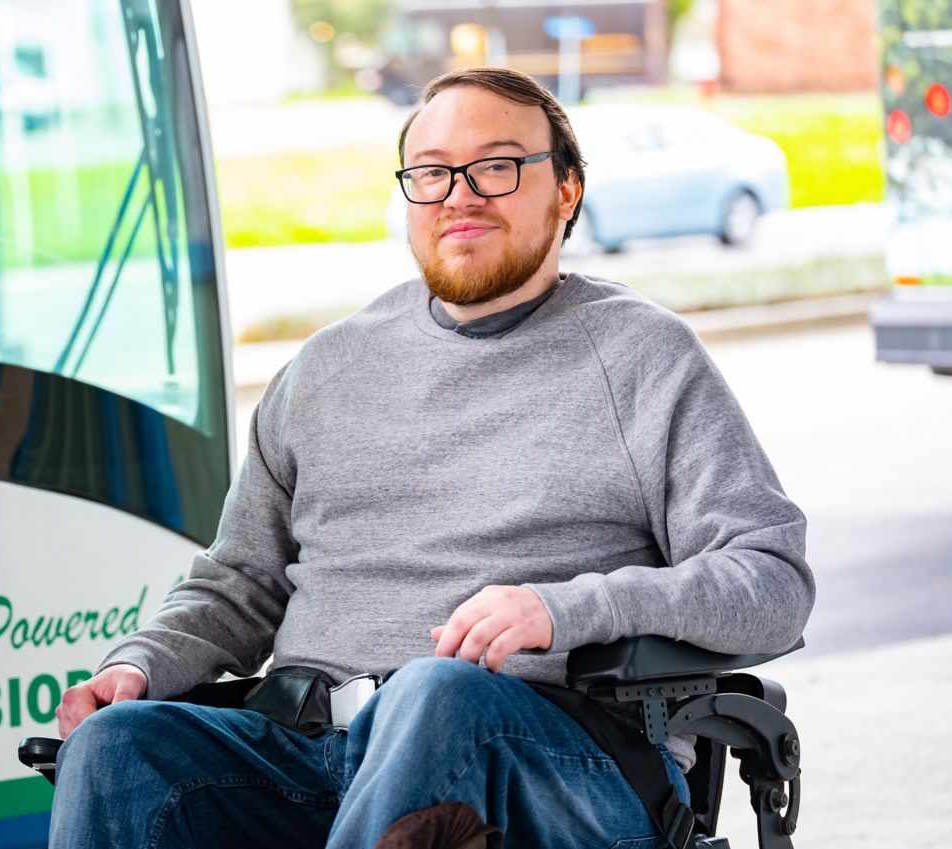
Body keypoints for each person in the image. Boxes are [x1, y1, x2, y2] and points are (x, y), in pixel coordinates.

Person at [47, 67, 815, 849]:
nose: (459, 193)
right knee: (120, 748)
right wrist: (141, 664)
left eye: (496, 165)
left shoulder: (641, 356)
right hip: (310, 752)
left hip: (553, 760)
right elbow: (238, 582)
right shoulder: (325, 368)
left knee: (436, 694)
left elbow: (770, 578)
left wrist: (568, 608)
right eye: (432, 171)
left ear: (567, 190)